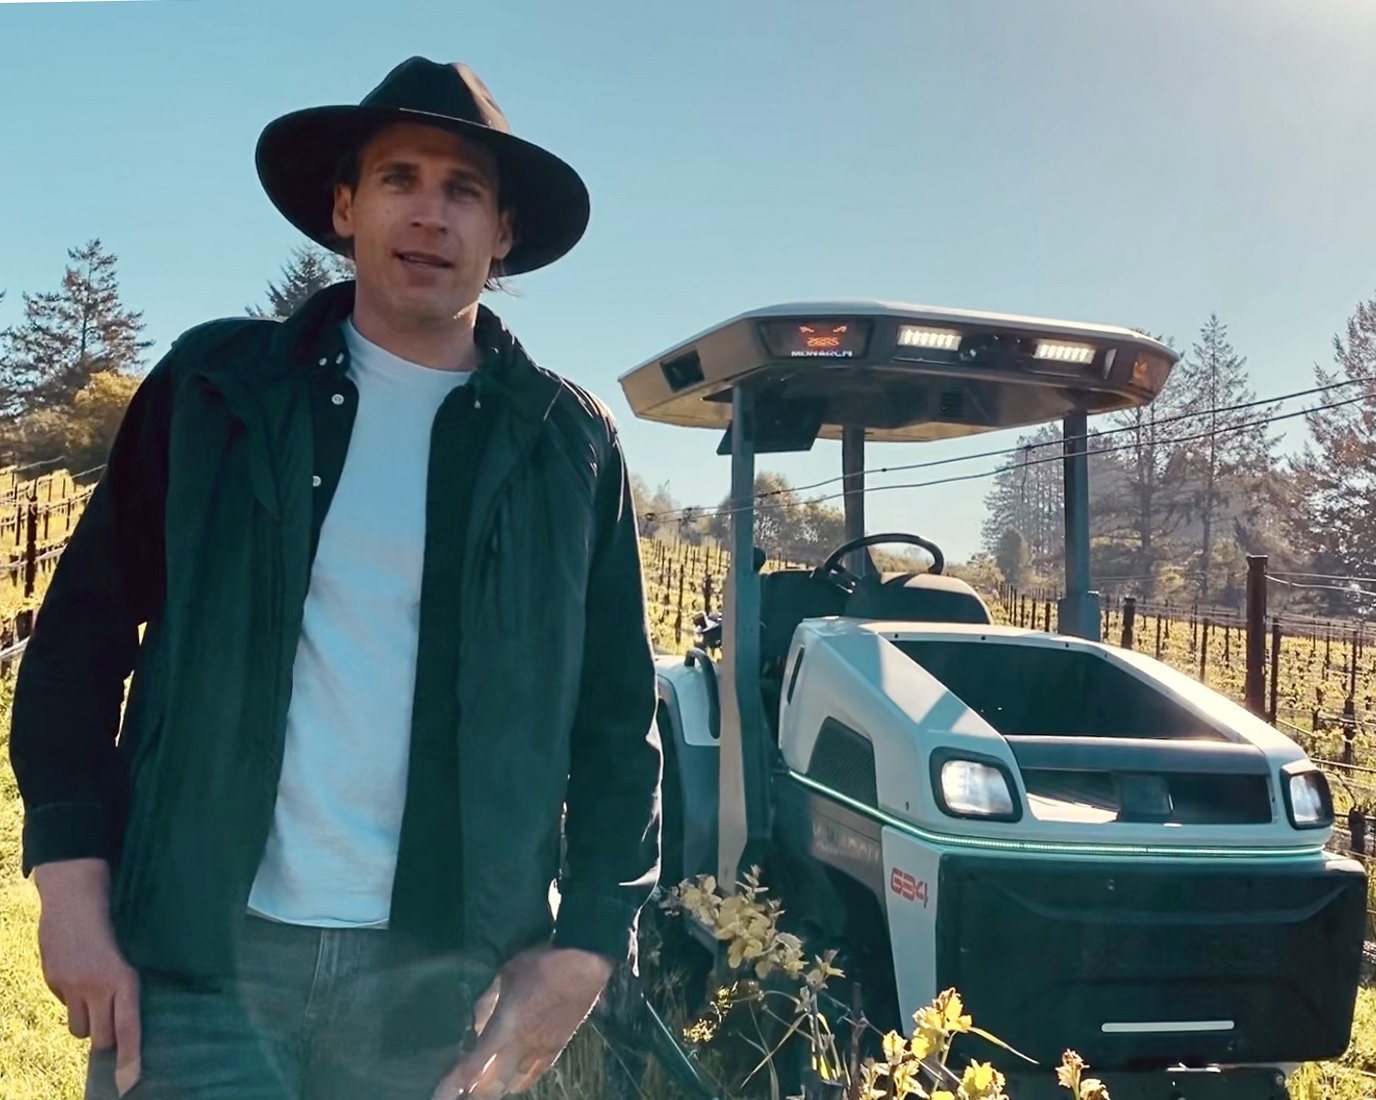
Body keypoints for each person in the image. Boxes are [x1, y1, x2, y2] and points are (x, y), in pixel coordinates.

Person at [8, 56, 662, 1100]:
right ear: (346, 207)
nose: (428, 213)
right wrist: (70, 880)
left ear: (501, 235)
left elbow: (618, 722)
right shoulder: (215, 390)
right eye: (399, 178)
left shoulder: (567, 444)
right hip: (193, 968)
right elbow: (78, 647)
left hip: (435, 994)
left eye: (463, 190)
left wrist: (587, 942)